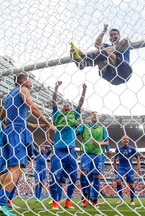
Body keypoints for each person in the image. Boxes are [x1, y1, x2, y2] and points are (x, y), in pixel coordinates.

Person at [0, 73, 55, 216]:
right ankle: (1, 203)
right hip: (17, 133)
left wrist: (11, 124)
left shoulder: (8, 97)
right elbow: (33, 108)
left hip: (8, 132)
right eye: (29, 81)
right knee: (17, 168)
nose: (31, 84)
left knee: (9, 170)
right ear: (23, 81)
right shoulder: (22, 90)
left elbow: (2, 117)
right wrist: (49, 124)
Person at [50, 80, 87, 210]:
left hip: (71, 150)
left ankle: (68, 201)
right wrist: (56, 87)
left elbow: (80, 104)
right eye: (64, 104)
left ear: (71, 108)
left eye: (69, 104)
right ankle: (55, 202)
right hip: (59, 150)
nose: (66, 105)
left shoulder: (73, 115)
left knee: (73, 177)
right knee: (56, 175)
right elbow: (53, 101)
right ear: (62, 107)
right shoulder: (57, 114)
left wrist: (83, 91)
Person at [76, 111, 109, 208]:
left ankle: (95, 200)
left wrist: (99, 143)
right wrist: (77, 126)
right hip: (86, 154)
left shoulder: (102, 129)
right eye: (93, 114)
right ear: (90, 117)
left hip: (97, 155)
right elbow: (76, 132)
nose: (95, 116)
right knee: (84, 173)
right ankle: (85, 196)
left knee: (96, 177)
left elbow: (106, 142)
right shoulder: (85, 126)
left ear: (98, 118)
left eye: (96, 115)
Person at [113, 135, 140, 206]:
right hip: (121, 167)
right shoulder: (118, 149)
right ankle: (121, 198)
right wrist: (115, 167)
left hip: (129, 167)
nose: (126, 140)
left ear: (129, 140)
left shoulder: (132, 148)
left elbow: (137, 157)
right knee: (118, 181)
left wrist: (138, 165)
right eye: (124, 139)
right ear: (121, 141)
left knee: (131, 185)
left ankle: (132, 200)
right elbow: (115, 158)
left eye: (127, 139)